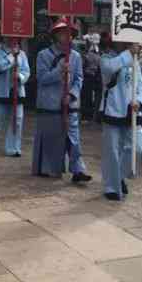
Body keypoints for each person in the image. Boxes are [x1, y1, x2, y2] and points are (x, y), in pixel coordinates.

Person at [32, 18, 91, 182]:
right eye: (63, 33)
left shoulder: (76, 57)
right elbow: (42, 78)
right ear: (56, 35)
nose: (67, 37)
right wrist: (59, 71)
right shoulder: (43, 55)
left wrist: (71, 94)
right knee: (51, 137)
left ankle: (78, 169)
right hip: (49, 103)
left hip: (69, 103)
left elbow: (79, 79)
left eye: (70, 34)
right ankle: (49, 167)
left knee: (73, 137)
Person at [99, 41, 142, 200]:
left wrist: (139, 100)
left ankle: (119, 175)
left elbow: (140, 84)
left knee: (137, 146)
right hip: (113, 108)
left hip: (132, 111)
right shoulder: (107, 57)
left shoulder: (135, 59)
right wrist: (129, 53)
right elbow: (109, 69)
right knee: (112, 150)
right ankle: (111, 186)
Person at [0, 37, 30, 156]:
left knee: (17, 119)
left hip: (17, 90)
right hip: (1, 91)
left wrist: (20, 76)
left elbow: (26, 71)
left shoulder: (22, 54)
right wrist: (12, 57)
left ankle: (13, 148)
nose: (12, 40)